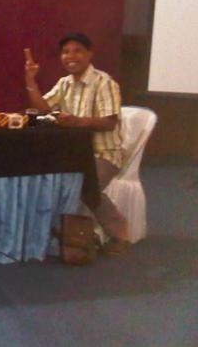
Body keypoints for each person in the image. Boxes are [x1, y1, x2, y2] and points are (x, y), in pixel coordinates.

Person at [24, 31, 129, 255]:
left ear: (90, 54)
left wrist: (77, 121)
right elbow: (43, 109)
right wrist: (31, 80)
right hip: (73, 153)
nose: (70, 56)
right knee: (44, 176)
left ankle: (119, 232)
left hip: (103, 153)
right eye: (65, 52)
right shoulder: (65, 83)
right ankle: (61, 231)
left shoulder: (104, 82)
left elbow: (109, 123)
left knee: (85, 185)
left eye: (77, 51)